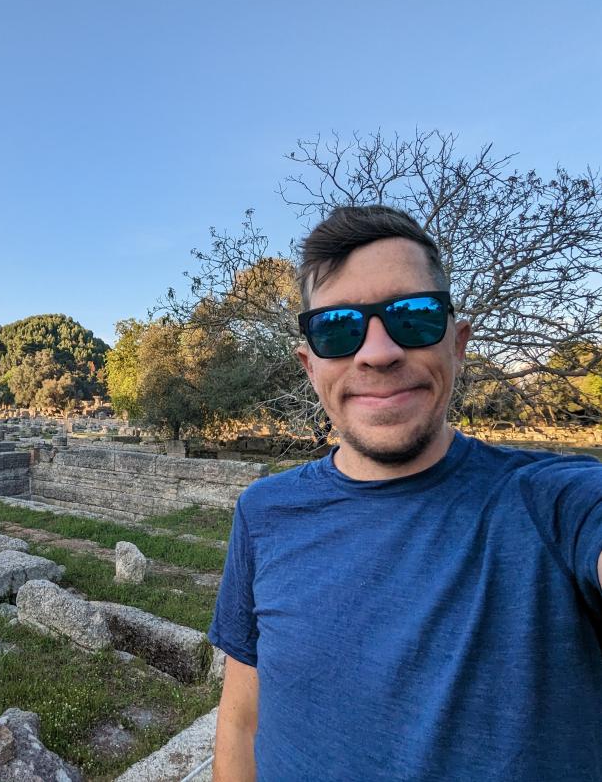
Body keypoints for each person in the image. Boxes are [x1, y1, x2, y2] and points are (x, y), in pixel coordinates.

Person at [209, 205, 602, 781]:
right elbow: (243, 721)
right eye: (337, 329)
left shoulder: (553, 505)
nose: (377, 352)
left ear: (457, 344)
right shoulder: (263, 511)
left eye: (413, 316)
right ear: (310, 366)